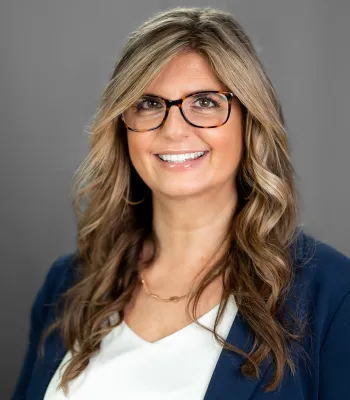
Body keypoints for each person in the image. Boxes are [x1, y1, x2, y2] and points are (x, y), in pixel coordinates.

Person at [12, 6, 350, 400]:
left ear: (250, 119)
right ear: (123, 127)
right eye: (149, 103)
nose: (173, 130)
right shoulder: (68, 285)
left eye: (205, 102)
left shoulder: (332, 295)